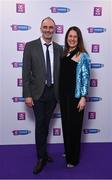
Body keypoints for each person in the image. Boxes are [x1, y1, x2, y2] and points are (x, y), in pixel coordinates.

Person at [22, 17, 63, 174]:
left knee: (45, 124)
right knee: (40, 124)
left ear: (54, 29)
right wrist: (27, 94)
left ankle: (44, 152)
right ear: (41, 28)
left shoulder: (59, 48)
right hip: (37, 93)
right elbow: (25, 72)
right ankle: (41, 157)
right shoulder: (30, 46)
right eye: (45, 27)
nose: (48, 30)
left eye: (51, 27)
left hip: (53, 93)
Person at [59, 26, 90, 168]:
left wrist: (83, 97)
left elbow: (85, 77)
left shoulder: (83, 55)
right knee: (66, 124)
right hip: (64, 96)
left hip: (76, 97)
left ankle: (73, 159)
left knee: (75, 127)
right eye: (70, 36)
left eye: (75, 37)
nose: (72, 39)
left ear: (79, 39)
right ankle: (68, 150)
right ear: (66, 38)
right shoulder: (64, 53)